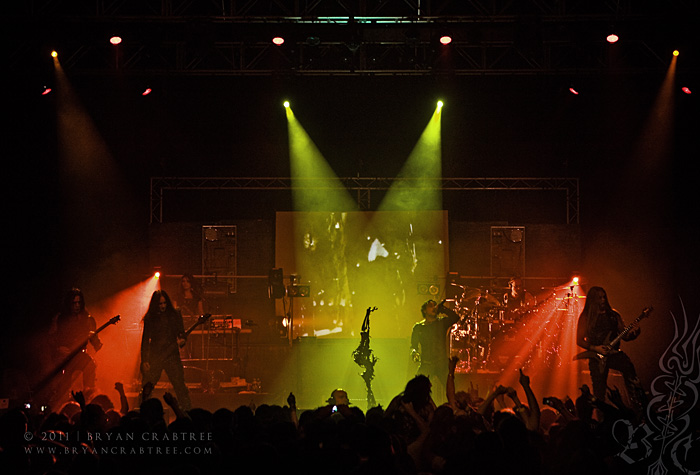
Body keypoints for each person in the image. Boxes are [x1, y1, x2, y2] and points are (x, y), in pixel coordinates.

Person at [575, 286, 644, 412]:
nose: (602, 300)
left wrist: (636, 332)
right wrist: (595, 348)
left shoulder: (613, 315)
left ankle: (638, 405)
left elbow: (626, 336)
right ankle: (601, 418)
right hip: (597, 356)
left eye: (604, 297)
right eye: (599, 298)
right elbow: (579, 340)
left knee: (629, 368)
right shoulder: (586, 317)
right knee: (599, 391)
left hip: (613, 354)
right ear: (593, 300)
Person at [140, 290, 192, 411]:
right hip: (155, 355)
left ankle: (187, 412)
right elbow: (145, 340)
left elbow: (181, 333)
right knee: (148, 386)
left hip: (172, 355)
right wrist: (145, 360)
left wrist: (182, 341)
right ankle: (144, 411)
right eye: (160, 304)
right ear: (155, 305)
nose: (163, 306)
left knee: (179, 386)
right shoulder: (150, 318)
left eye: (164, 303)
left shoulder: (174, 315)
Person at [51, 288, 102, 393]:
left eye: (79, 302)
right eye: (74, 303)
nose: (77, 306)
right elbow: (51, 338)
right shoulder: (60, 319)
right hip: (64, 357)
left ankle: (88, 393)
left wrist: (95, 340)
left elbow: (96, 343)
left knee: (90, 366)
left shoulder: (88, 319)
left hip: (80, 355)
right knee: (63, 382)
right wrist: (58, 348)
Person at [410, 299, 460, 402]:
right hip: (426, 363)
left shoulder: (441, 322)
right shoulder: (418, 328)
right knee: (416, 390)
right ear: (424, 310)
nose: (433, 308)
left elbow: (455, 317)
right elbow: (413, 345)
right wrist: (414, 352)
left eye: (435, 306)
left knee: (451, 390)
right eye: (430, 306)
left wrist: (443, 309)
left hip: (442, 363)